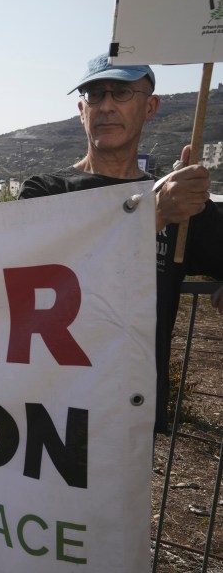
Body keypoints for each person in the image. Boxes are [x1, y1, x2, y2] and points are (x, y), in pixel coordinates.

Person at [19, 53, 223, 434]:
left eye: (122, 92)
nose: (107, 105)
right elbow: (31, 276)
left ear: (151, 106)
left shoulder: (179, 202)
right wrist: (152, 217)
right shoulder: (44, 192)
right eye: (95, 95)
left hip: (130, 413)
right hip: (46, 406)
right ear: (82, 110)